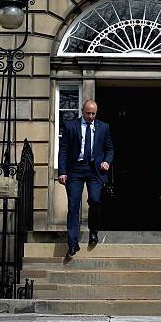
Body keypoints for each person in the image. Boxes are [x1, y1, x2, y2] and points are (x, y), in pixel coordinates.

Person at [58, 99, 114, 259]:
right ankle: (72, 244)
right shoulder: (70, 126)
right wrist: (62, 171)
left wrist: (107, 161)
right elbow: (63, 151)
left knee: (95, 201)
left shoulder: (103, 127)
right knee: (74, 206)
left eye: (93, 113)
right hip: (75, 169)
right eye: (88, 113)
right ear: (82, 111)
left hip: (95, 170)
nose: (90, 116)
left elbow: (110, 149)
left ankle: (94, 231)